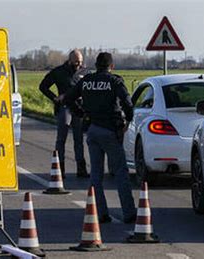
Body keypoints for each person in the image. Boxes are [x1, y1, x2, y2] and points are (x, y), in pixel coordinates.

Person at [63, 52, 136, 223]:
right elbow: (127, 102)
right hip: (111, 130)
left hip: (92, 130)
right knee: (120, 173)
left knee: (96, 174)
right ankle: (129, 213)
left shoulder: (86, 81)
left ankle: (101, 213)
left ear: (96, 65)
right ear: (112, 66)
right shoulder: (115, 81)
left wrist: (80, 113)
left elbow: (68, 98)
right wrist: (128, 120)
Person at [39, 49, 89, 179]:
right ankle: (59, 169)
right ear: (70, 59)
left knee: (79, 140)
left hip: (79, 108)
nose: (78, 64)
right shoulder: (59, 71)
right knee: (61, 139)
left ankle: (81, 169)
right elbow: (43, 86)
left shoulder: (85, 72)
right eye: (76, 62)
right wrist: (54, 98)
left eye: (80, 62)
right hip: (64, 108)